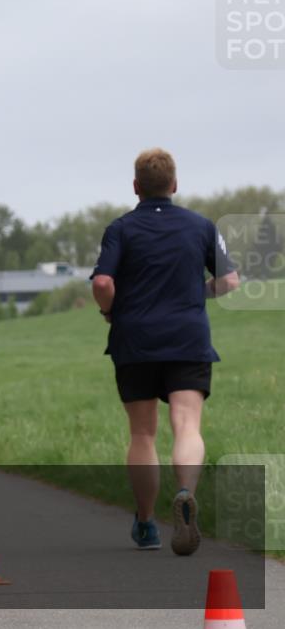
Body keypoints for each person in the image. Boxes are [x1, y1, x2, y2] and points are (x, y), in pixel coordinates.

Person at [91, 148, 239, 555]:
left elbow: (103, 283)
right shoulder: (201, 226)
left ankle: (145, 524)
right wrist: (198, 292)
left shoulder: (120, 229)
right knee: (187, 425)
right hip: (187, 338)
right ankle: (186, 492)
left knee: (142, 433)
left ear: (136, 187)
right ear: (174, 185)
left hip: (135, 340)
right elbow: (229, 281)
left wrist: (109, 311)